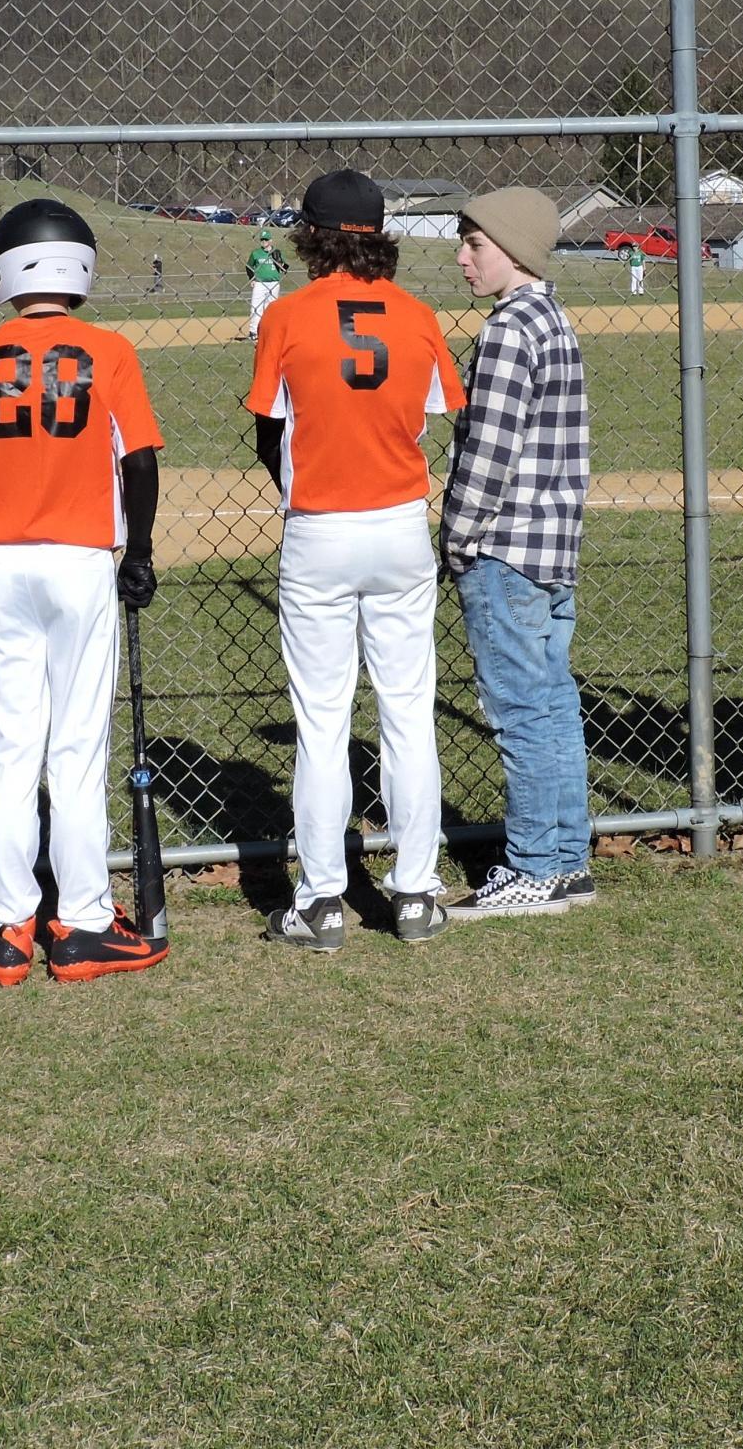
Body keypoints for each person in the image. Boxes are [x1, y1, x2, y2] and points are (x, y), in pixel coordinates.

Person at [0, 199, 168, 985]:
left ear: (3, 270)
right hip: (81, 563)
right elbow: (139, 463)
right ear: (81, 268)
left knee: (11, 748)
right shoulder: (110, 352)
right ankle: (85, 921)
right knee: (77, 750)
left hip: (4, 570)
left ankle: (6, 929)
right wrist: (141, 550)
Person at [248, 169, 464, 951]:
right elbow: (442, 418)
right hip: (401, 523)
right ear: (380, 236)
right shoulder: (414, 315)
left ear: (311, 236)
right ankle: (414, 895)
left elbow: (269, 431)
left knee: (322, 722)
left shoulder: (287, 314)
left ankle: (323, 903)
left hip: (320, 531)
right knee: (407, 714)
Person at [439, 188, 594, 919]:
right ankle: (566, 862)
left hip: (504, 550)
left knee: (522, 712)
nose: (463, 257)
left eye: (475, 243)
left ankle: (532, 867)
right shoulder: (552, 317)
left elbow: (487, 453)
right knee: (553, 703)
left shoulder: (507, 330)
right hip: (551, 546)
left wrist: (456, 537)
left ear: (515, 249)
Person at [242, 229, 286, 338]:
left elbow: (285, 269)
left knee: (271, 308)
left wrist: (279, 261)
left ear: (271, 240)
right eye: (262, 240)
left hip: (274, 283)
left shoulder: (276, 252)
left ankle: (269, 330)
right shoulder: (256, 253)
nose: (264, 242)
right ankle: (254, 332)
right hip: (260, 283)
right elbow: (248, 266)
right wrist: (252, 279)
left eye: (266, 239)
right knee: (256, 307)